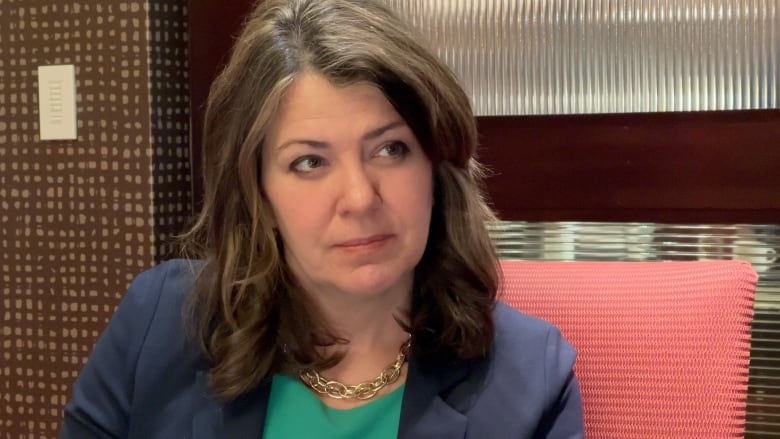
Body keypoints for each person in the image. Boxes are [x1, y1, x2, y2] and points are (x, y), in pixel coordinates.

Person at [60, 0, 584, 437]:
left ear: (437, 166)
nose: (358, 198)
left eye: (390, 150)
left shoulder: (531, 375)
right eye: (309, 162)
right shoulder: (157, 322)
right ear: (258, 192)